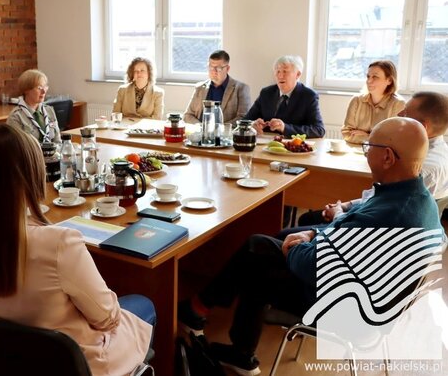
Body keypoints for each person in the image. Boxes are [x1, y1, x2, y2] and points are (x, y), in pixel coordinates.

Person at [178, 117, 443, 376]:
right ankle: (227, 338)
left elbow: (312, 265)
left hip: (349, 310)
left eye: (368, 147)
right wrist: (313, 233)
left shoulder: (390, 215)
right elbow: (350, 227)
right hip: (374, 297)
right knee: (263, 250)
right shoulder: (415, 198)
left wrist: (297, 247)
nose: (365, 153)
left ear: (387, 157)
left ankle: (203, 315)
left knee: (256, 253)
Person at [0, 124, 154, 375]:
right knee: (143, 304)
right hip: (74, 365)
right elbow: (108, 319)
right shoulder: (59, 243)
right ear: (32, 176)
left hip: (1, 361)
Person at [298, 91, 448, 227]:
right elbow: (380, 196)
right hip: (376, 217)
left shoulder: (422, 169)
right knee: (308, 220)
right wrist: (346, 205)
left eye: (406, 113)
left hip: (375, 229)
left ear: (422, 127)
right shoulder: (435, 151)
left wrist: (338, 212)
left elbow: (377, 212)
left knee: (305, 223)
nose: (399, 114)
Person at [245, 55, 325, 138]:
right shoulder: (266, 93)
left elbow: (319, 130)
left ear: (298, 74)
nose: (280, 76)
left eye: (285, 71)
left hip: (292, 144)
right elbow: (245, 121)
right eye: (278, 71)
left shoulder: (309, 96)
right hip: (266, 143)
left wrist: (285, 128)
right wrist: (252, 125)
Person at [341, 60, 406, 144]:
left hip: (381, 152)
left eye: (375, 77)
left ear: (389, 80)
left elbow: (392, 139)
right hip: (354, 150)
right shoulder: (356, 100)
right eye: (368, 76)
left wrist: (367, 136)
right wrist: (376, 138)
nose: (369, 81)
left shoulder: (398, 104)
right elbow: (346, 133)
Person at [183, 50, 251, 125]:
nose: (214, 72)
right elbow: (187, 116)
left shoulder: (241, 89)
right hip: (201, 130)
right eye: (211, 67)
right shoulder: (200, 88)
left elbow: (244, 118)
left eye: (218, 68)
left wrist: (219, 128)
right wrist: (201, 127)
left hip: (226, 131)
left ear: (227, 69)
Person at [6, 69, 61, 144]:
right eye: (39, 88)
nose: (44, 91)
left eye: (45, 87)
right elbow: (17, 146)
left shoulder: (49, 110)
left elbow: (58, 141)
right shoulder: (16, 116)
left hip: (53, 151)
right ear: (26, 90)